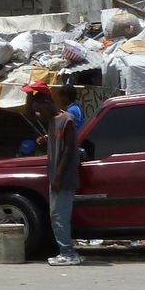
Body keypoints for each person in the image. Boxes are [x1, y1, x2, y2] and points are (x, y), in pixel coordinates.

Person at [42, 87, 83, 267]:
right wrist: (29, 94)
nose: (38, 113)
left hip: (64, 178)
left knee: (60, 216)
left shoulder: (68, 119)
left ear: (47, 103)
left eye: (40, 108)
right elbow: (30, 112)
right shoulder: (53, 120)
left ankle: (68, 253)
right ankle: (66, 251)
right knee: (57, 215)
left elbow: (68, 150)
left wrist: (58, 176)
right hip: (56, 177)